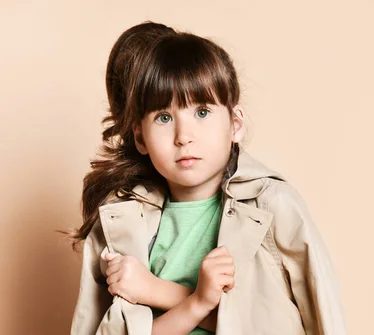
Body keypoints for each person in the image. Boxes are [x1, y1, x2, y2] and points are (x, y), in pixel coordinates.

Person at [67, 21, 346, 335]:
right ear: (140, 137)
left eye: (201, 112)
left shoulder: (273, 208)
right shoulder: (122, 222)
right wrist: (195, 303)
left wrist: (160, 291)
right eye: (163, 117)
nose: (184, 136)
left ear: (235, 123)